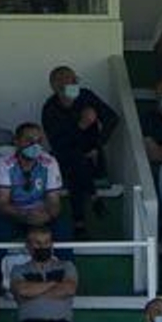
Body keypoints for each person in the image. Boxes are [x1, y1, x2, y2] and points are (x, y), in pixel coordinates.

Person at [42, 66, 120, 231]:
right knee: (74, 158)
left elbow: (112, 118)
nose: (75, 83)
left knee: (77, 162)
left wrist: (98, 145)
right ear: (56, 86)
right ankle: (93, 197)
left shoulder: (86, 96)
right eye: (70, 80)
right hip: (67, 160)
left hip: (93, 158)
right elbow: (59, 144)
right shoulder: (50, 109)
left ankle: (79, 222)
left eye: (75, 79)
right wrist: (82, 125)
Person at [0, 124, 67, 242]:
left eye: (39, 141)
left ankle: (60, 257)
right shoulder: (4, 163)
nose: (35, 145)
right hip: (14, 214)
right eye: (29, 141)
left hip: (42, 214)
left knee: (62, 228)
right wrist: (24, 215)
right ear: (16, 141)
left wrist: (47, 216)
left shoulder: (50, 162)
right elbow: (1, 203)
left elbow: (54, 202)